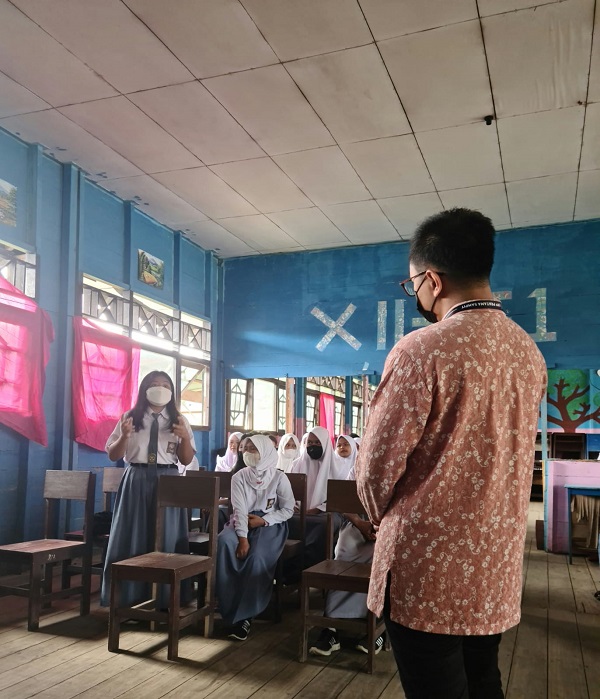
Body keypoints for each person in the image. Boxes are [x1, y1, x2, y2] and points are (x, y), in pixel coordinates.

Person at [356, 208, 547, 699]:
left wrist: (378, 518)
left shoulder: (422, 350)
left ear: (432, 280)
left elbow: (375, 470)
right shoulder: (529, 354)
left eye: (412, 284)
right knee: (484, 682)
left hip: (426, 572)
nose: (416, 293)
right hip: (495, 568)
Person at [101, 370, 196, 607]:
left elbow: (185, 460)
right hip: (137, 477)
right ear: (145, 389)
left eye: (166, 385)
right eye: (154, 384)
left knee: (167, 535)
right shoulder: (129, 417)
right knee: (132, 533)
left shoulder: (179, 420)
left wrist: (185, 438)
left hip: (168, 479)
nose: (160, 388)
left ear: (172, 392)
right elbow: (113, 454)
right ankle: (127, 597)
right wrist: (124, 436)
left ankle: (166, 598)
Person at [216, 434, 294, 640]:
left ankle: (246, 616)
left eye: (253, 449)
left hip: (270, 524)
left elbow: (288, 510)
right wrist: (242, 538)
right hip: (242, 520)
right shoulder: (239, 477)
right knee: (224, 542)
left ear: (266, 452)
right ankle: (227, 606)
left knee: (258, 555)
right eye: (246, 448)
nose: (247, 452)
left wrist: (264, 520)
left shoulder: (279, 478)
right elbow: (239, 510)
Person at [309, 465, 382, 658]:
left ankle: (377, 629)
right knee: (344, 548)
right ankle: (330, 629)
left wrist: (378, 526)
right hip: (358, 523)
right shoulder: (357, 467)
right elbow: (344, 502)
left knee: (380, 555)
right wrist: (360, 523)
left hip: (386, 525)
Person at [288, 426, 343, 575]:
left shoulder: (337, 466)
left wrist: (317, 509)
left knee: (322, 525)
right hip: (298, 511)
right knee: (284, 521)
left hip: (327, 512)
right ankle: (289, 571)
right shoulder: (297, 464)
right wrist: (293, 505)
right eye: (310, 443)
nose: (313, 446)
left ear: (325, 444)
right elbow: (288, 491)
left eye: (317, 443)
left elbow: (338, 496)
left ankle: (313, 570)